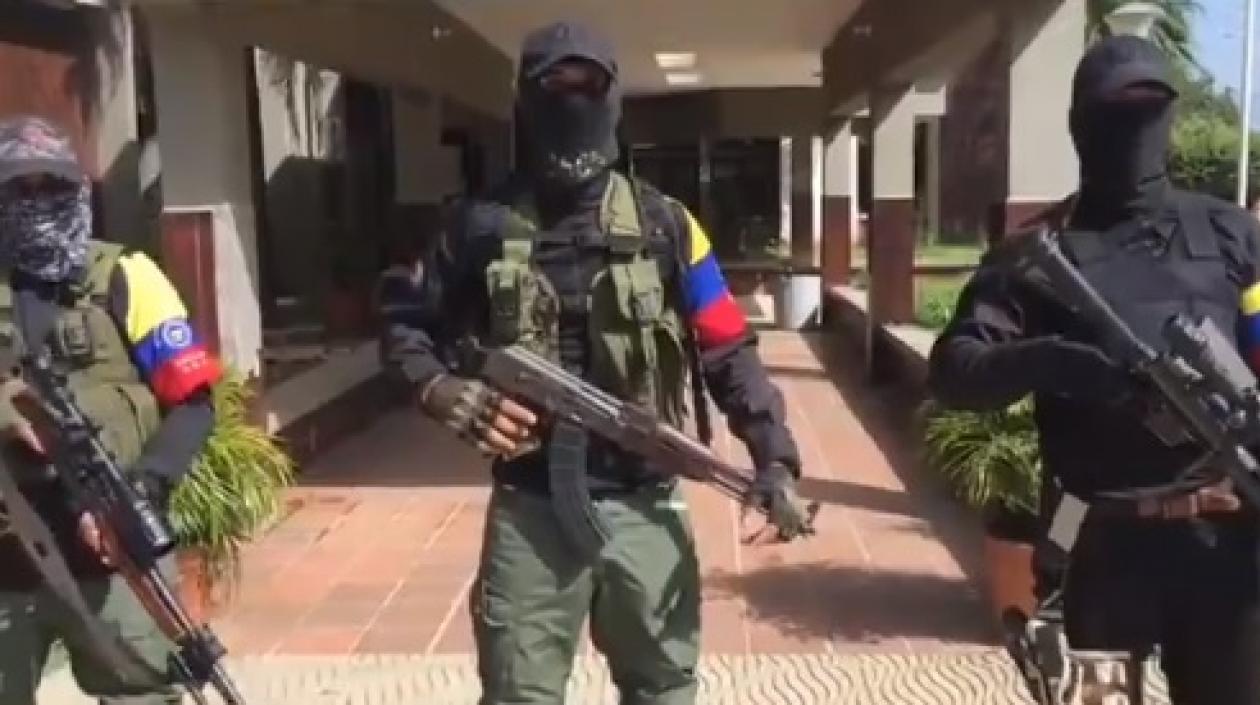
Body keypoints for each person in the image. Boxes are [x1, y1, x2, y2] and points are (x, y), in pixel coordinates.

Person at [388, 21, 804, 705]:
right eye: (555, 87)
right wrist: (437, 388)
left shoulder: (668, 225)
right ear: (525, 102)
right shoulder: (477, 226)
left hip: (646, 501)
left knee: (664, 689)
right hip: (532, 508)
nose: (571, 104)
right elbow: (404, 323)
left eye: (589, 87)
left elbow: (728, 346)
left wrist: (774, 456)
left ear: (613, 100)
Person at [929, 36, 1260, 704]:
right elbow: (955, 369)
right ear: (1082, 125)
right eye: (1116, 111)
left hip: (1225, 544)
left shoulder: (1230, 235)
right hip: (1101, 545)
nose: (1132, 130)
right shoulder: (1034, 254)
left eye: (1148, 108)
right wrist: (1054, 363)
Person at [0, 116, 222, 705]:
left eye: (52, 187)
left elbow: (195, 403)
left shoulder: (126, 276)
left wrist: (143, 489)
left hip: (111, 560)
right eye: (19, 189)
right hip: (6, 567)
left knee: (146, 695)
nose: (36, 202)